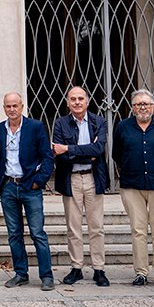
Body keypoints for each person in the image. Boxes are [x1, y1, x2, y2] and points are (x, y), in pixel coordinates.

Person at [112, 88, 154, 289]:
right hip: (132, 186)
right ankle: (140, 272)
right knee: (138, 230)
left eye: (146, 104)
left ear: (153, 106)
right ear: (133, 107)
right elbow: (117, 154)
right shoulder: (123, 127)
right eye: (139, 104)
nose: (143, 107)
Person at [0, 92, 55, 291]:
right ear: (4, 108)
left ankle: (46, 276)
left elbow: (48, 157)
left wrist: (39, 182)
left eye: (15, 106)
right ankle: (21, 274)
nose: (12, 109)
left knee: (37, 233)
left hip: (30, 187)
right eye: (8, 106)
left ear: (21, 106)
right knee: (14, 234)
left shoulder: (35, 127)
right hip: (8, 186)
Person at [52, 86, 110, 287]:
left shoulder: (99, 121)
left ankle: (99, 269)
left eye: (80, 99)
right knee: (73, 227)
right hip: (71, 178)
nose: (77, 102)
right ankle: (76, 268)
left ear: (87, 101)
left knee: (96, 226)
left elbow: (99, 148)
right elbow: (60, 155)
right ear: (67, 102)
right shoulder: (60, 123)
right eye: (73, 99)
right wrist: (85, 152)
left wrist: (69, 148)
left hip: (94, 178)